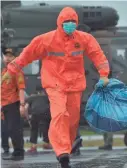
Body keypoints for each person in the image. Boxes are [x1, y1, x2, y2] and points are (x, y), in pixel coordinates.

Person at [2, 7, 110, 168]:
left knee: (72, 121)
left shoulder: (84, 39)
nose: (70, 25)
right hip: (55, 84)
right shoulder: (46, 40)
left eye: (73, 22)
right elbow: (28, 54)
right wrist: (12, 69)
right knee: (59, 115)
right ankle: (62, 153)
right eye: (66, 22)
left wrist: (104, 75)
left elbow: (98, 55)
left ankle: (68, 144)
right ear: (60, 23)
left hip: (75, 85)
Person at [1, 47, 25, 161]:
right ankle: (16, 152)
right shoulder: (4, 71)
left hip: (13, 103)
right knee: (9, 129)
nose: (7, 58)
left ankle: (19, 152)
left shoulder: (17, 71)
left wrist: (22, 105)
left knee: (14, 129)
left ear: (15, 57)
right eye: (6, 56)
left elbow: (21, 88)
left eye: (10, 56)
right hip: (4, 105)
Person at [25, 87, 52, 154]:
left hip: (35, 114)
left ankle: (34, 146)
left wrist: (28, 118)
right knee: (46, 128)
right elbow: (52, 105)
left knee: (34, 129)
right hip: (46, 114)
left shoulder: (31, 98)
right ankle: (46, 144)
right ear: (43, 91)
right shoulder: (47, 97)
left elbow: (25, 108)